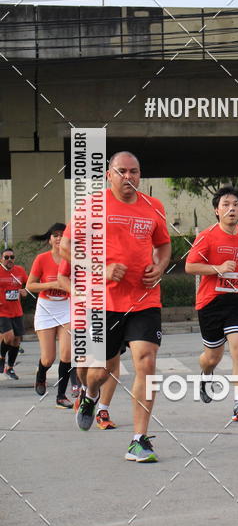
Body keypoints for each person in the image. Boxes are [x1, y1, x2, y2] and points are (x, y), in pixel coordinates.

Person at [61, 151, 171, 462]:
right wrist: (100, 269)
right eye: (121, 171)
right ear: (109, 175)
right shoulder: (92, 206)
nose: (128, 177)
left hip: (144, 299)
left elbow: (163, 244)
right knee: (100, 372)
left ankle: (139, 440)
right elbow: (66, 247)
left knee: (146, 362)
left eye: (134, 171)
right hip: (103, 301)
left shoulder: (154, 206)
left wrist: (160, 266)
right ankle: (90, 395)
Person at [185, 186, 238, 422]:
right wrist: (217, 268)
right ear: (217, 211)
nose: (232, 209)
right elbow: (190, 266)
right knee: (212, 357)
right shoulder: (207, 236)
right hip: (211, 302)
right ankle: (206, 373)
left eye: (236, 204)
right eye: (226, 205)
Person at [56, 257, 116, 429]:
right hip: (82, 311)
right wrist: (77, 293)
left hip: (113, 308)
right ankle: (86, 389)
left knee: (112, 362)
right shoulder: (79, 247)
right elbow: (62, 277)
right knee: (83, 363)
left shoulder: (121, 243)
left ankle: (102, 410)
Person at [26, 223, 74, 408]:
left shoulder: (73, 259)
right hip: (46, 308)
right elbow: (30, 285)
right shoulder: (42, 259)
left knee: (67, 354)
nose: (59, 238)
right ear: (50, 240)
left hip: (66, 307)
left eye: (62, 234)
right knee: (48, 358)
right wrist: (51, 285)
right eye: (55, 235)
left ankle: (61, 396)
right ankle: (41, 375)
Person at [0, 248, 28, 380]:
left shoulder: (19, 270)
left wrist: (25, 291)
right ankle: (1, 357)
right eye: (6, 257)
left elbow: (29, 284)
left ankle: (10, 367)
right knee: (9, 337)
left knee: (16, 341)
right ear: (1, 259)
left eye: (12, 257)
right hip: (2, 311)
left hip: (17, 311)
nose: (9, 260)